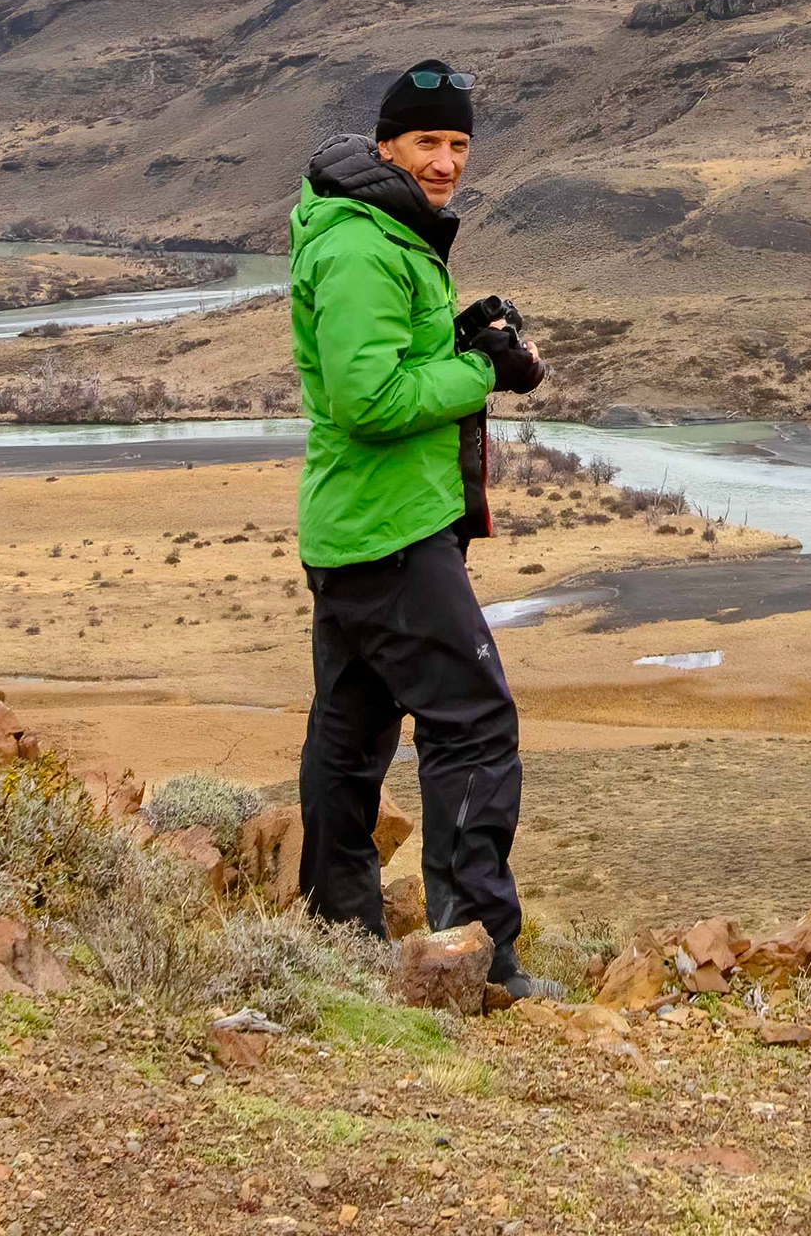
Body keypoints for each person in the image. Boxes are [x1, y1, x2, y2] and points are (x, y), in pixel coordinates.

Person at [286, 57, 561, 997]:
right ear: (385, 146)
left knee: (351, 733)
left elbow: (393, 362)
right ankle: (476, 955)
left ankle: (337, 934)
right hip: (391, 530)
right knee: (474, 724)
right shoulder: (364, 245)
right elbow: (369, 398)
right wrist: (482, 372)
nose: (445, 162)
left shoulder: (377, 232)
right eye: (426, 143)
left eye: (458, 145)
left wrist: (460, 336)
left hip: (357, 529)